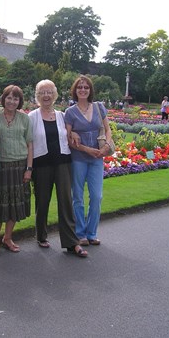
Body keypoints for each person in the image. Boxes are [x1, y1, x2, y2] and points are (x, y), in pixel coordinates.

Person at [28, 80, 88, 258]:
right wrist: (28, 167)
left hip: (63, 162)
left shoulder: (62, 115)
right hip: (41, 165)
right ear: (38, 96)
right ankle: (41, 235)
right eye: (42, 92)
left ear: (54, 95)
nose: (46, 95)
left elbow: (71, 132)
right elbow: (28, 143)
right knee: (42, 201)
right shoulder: (32, 116)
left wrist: (74, 133)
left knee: (65, 202)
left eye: (49, 92)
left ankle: (72, 242)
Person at [0, 85, 33, 254]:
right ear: (3, 98)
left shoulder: (25, 118)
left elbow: (30, 144)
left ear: (20, 101)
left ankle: (8, 238)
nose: (12, 101)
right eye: (9, 97)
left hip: (19, 166)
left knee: (14, 204)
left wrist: (29, 169)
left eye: (16, 98)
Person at [64, 75, 112, 247]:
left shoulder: (99, 107)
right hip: (79, 158)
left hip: (97, 158)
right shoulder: (70, 112)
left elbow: (108, 129)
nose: (83, 90)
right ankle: (80, 233)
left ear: (90, 90)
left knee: (97, 196)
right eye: (79, 87)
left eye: (86, 87)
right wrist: (85, 149)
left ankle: (92, 232)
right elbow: (68, 138)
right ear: (75, 90)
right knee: (77, 196)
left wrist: (106, 145)